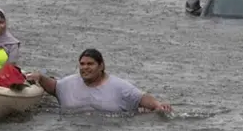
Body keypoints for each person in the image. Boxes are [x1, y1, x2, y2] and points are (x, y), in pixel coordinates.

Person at [26, 48, 173, 114]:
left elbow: (141, 97)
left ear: (101, 66)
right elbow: (53, 86)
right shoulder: (67, 84)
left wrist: (158, 105)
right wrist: (39, 77)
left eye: (90, 64)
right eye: (82, 64)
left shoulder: (119, 86)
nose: (85, 68)